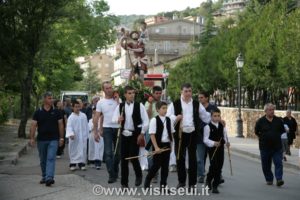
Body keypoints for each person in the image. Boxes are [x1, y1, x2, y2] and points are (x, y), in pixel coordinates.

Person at [167, 83, 211, 189]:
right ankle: (181, 181)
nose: (188, 93)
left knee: (192, 159)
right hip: (179, 134)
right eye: (186, 91)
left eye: (190, 91)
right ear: (181, 92)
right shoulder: (175, 104)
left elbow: (206, 117)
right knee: (179, 158)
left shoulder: (196, 104)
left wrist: (215, 121)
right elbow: (168, 118)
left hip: (192, 133)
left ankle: (192, 184)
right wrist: (176, 118)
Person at [112, 85, 149, 188]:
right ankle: (124, 183)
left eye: (133, 93)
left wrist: (141, 133)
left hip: (135, 134)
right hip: (124, 134)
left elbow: (146, 121)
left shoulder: (139, 105)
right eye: (129, 93)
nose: (132, 95)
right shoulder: (120, 106)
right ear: (125, 95)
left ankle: (139, 174)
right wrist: (118, 119)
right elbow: (113, 119)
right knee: (123, 159)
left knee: (133, 156)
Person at [29, 92, 64, 186]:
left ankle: (49, 178)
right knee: (43, 159)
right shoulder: (38, 112)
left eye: (52, 98)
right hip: (41, 139)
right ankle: (44, 176)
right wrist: (32, 138)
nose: (51, 100)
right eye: (49, 98)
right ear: (44, 99)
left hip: (54, 139)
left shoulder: (57, 112)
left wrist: (61, 138)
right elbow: (33, 125)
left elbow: (61, 125)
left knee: (51, 158)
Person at [144, 101, 175, 190]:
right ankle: (148, 179)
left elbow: (171, 133)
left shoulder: (169, 120)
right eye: (163, 108)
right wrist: (156, 147)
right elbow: (152, 134)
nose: (165, 110)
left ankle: (163, 185)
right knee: (156, 165)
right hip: (158, 144)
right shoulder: (154, 120)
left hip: (167, 145)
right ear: (157, 110)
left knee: (165, 167)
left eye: (166, 108)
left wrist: (172, 145)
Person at [94, 81, 120, 184]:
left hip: (118, 128)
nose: (110, 89)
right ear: (103, 90)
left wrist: (118, 100)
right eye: (107, 88)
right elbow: (97, 117)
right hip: (107, 128)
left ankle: (115, 170)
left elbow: (123, 111)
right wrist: (96, 131)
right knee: (108, 153)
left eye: (110, 87)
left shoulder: (118, 100)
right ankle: (111, 174)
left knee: (118, 153)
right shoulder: (101, 102)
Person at [255, 103, 285, 187]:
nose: (272, 111)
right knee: (266, 165)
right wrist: (263, 138)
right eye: (270, 110)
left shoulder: (278, 120)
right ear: (265, 111)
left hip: (277, 147)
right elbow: (256, 132)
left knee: (278, 163)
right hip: (265, 147)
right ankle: (269, 179)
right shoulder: (260, 121)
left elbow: (282, 131)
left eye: (273, 109)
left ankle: (279, 179)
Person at [203, 108, 230, 194]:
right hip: (212, 149)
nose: (217, 118)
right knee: (214, 165)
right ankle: (209, 180)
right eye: (215, 116)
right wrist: (213, 143)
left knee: (219, 167)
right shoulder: (207, 127)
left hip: (220, 149)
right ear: (211, 117)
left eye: (218, 116)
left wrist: (227, 142)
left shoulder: (222, 126)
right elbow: (205, 139)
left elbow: (224, 136)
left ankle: (215, 185)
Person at [144, 86, 163, 181]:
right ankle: (152, 173)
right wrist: (151, 104)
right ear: (153, 93)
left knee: (158, 152)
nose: (158, 95)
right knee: (151, 152)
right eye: (157, 93)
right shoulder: (148, 103)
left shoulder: (162, 104)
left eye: (160, 93)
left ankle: (155, 172)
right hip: (150, 130)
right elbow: (148, 115)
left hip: (160, 130)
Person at [66, 100, 89, 171]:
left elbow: (86, 126)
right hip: (74, 137)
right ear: (72, 108)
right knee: (74, 150)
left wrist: (86, 135)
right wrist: (71, 134)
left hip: (82, 137)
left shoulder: (83, 116)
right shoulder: (71, 117)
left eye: (78, 107)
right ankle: (72, 164)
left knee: (82, 150)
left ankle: (81, 164)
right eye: (76, 107)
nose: (77, 108)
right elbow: (69, 126)